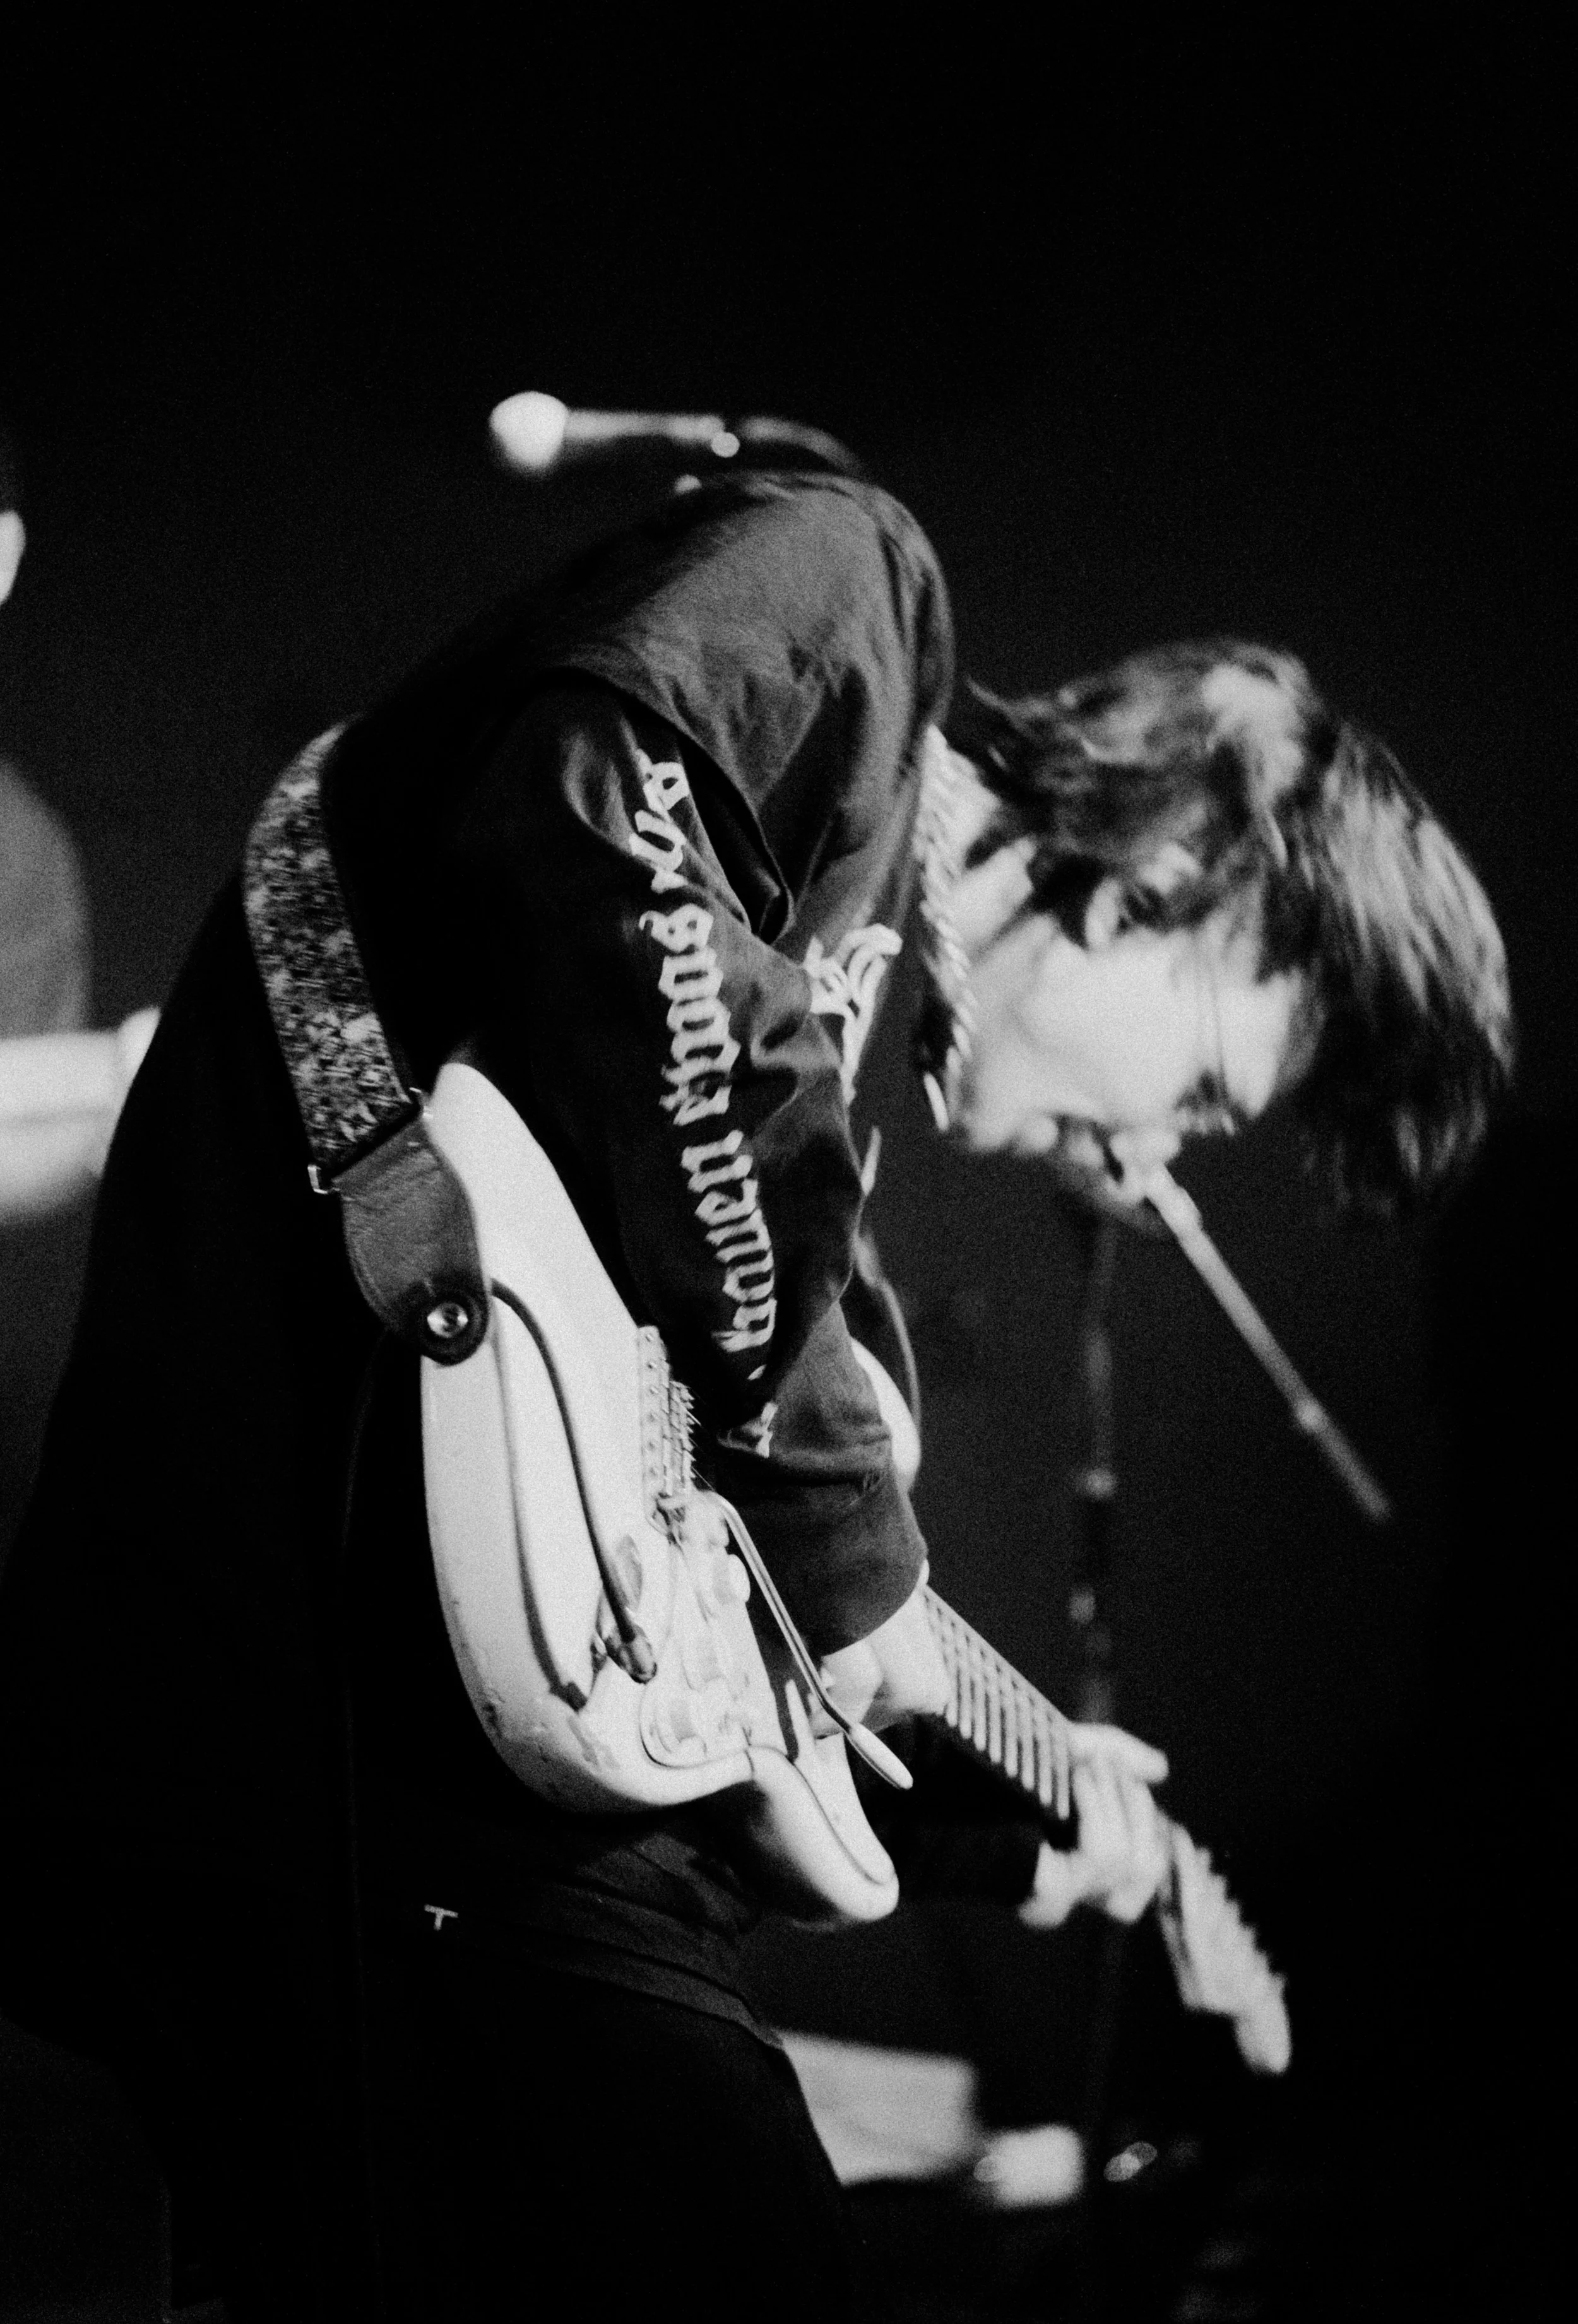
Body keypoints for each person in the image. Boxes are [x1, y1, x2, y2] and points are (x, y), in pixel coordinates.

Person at [0, 466, 1510, 2321]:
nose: (1146, 1167)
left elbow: (698, 1608)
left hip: (389, 1786)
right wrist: (841, 1524)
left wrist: (988, 1810)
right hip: (347, 1758)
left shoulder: (831, 1111)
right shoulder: (851, 586)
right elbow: (592, 809)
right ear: (1156, 890)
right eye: (1197, 1096)